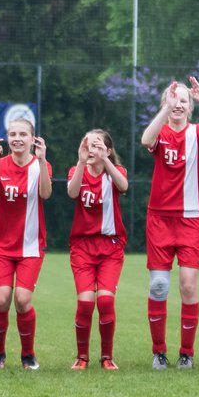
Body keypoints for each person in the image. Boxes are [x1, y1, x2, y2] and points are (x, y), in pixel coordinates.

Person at [140, 76, 199, 370]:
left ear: (190, 108)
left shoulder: (198, 132)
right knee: (160, 286)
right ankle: (158, 351)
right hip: (160, 219)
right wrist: (165, 108)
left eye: (183, 101)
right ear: (167, 102)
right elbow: (145, 140)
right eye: (174, 98)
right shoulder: (161, 132)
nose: (178, 104)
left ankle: (186, 353)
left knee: (188, 287)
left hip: (190, 220)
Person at [0, 119, 52, 370]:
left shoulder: (41, 165)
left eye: (23, 134)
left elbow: (45, 194)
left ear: (33, 139)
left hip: (30, 246)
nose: (17, 138)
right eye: (12, 134)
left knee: (21, 299)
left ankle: (28, 355)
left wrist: (41, 160)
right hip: (1, 246)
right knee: (1, 300)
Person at [66, 128, 128, 371]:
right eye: (87, 144)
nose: (91, 149)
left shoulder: (115, 173)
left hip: (110, 247)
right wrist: (82, 162)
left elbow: (123, 185)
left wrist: (107, 162)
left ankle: (107, 357)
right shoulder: (76, 170)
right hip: (82, 247)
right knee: (85, 303)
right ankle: (82, 357)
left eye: (97, 145)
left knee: (105, 301)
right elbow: (72, 192)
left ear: (108, 150)